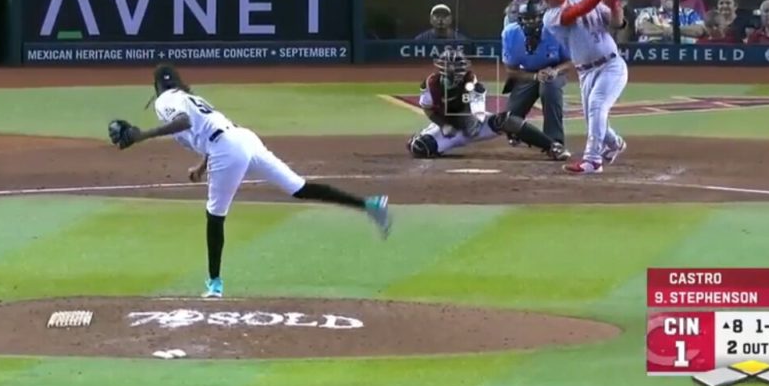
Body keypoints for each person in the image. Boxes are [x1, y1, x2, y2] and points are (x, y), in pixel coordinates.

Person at [109, 65, 392, 298]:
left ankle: (214, 284)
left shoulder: (166, 100)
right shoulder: (191, 97)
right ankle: (369, 205)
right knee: (300, 188)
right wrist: (202, 166)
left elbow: (184, 122)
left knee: (215, 215)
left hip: (227, 148)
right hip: (244, 139)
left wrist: (143, 135)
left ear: (156, 87)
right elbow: (212, 127)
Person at [405, 47, 568, 160]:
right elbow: (428, 108)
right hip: (449, 130)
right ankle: (417, 138)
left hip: (473, 126)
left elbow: (477, 118)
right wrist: (443, 124)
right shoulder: (431, 85)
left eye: (458, 68)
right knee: (420, 147)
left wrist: (468, 119)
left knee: (507, 121)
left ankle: (552, 146)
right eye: (451, 68)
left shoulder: (473, 85)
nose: (455, 72)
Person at [541, 0, 632, 174]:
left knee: (597, 105)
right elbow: (573, 13)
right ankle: (614, 144)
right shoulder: (551, 16)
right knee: (593, 119)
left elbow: (617, 23)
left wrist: (614, 1)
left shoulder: (593, 6)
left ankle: (592, 160)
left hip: (611, 65)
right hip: (585, 72)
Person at [499, 0, 572, 158]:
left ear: (542, 16)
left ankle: (554, 142)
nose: (530, 22)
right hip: (527, 73)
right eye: (526, 18)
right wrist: (534, 76)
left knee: (549, 88)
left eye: (534, 18)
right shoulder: (510, 34)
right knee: (509, 119)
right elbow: (510, 69)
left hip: (553, 70)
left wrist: (555, 71)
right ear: (520, 19)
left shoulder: (556, 31)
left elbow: (570, 60)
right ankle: (520, 134)